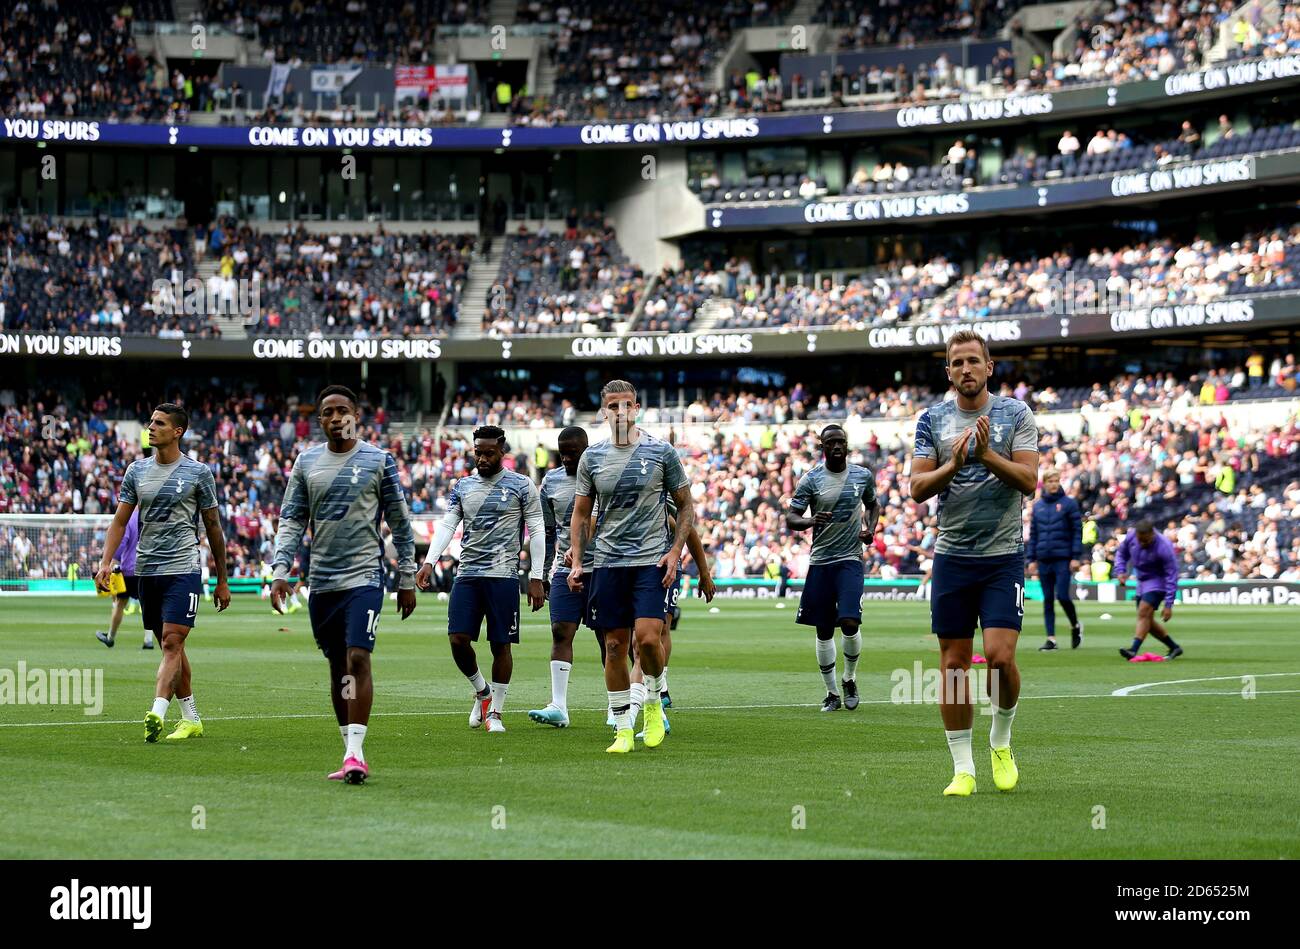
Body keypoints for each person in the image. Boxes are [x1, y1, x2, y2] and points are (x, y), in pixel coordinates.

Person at [909, 331, 1039, 797]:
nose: (966, 369)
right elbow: (918, 488)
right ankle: (963, 768)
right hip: (953, 559)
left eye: (973, 361)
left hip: (1003, 557)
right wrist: (957, 462)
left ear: (989, 367)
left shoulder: (1015, 415)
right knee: (954, 666)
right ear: (948, 372)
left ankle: (1000, 743)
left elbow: (1029, 481)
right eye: (957, 363)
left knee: (1001, 659)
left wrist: (986, 455)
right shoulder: (932, 420)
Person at [270, 385, 418, 785]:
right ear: (319, 420)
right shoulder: (306, 463)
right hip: (322, 582)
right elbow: (292, 520)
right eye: (328, 413)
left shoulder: (379, 461)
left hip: (365, 577)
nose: (336, 418)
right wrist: (280, 571)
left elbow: (401, 524)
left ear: (357, 415)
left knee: (358, 658)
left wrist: (406, 577)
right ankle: (348, 748)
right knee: (338, 667)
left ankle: (356, 753)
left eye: (342, 411)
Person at [568, 380, 694, 754]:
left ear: (637, 408)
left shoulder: (661, 452)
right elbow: (580, 512)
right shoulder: (592, 458)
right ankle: (623, 728)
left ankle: (653, 702)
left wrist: (674, 552)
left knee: (649, 640)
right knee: (612, 646)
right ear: (604, 412)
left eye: (626, 405)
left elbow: (685, 506)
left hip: (650, 562)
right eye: (613, 406)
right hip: (607, 562)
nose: (620, 412)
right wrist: (577, 558)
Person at [95, 403, 231, 743]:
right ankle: (191, 718)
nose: (151, 428)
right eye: (150, 422)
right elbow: (120, 520)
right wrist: (104, 562)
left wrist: (222, 579)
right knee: (171, 648)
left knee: (173, 642)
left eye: (159, 423)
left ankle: (156, 712)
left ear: (177, 431)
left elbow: (213, 526)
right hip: (146, 571)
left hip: (183, 568)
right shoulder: (136, 472)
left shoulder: (199, 473)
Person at [418, 425, 546, 734]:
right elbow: (448, 525)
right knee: (457, 640)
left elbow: (537, 530)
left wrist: (537, 577)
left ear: (503, 452)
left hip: (503, 576)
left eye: (489, 453)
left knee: (501, 645)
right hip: (468, 574)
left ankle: (497, 713)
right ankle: (482, 690)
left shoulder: (522, 485)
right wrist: (428, 562)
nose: (482, 458)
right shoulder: (463, 486)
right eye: (478, 452)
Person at [785, 424, 880, 712]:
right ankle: (831, 693)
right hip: (821, 562)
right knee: (824, 630)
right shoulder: (811, 480)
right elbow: (791, 517)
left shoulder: (862, 476)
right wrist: (812, 521)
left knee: (850, 622)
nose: (837, 447)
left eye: (841, 442)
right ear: (822, 447)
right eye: (831, 443)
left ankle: (849, 679)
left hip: (850, 559)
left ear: (847, 446)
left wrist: (870, 529)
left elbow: (873, 505)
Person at [528, 426, 597, 728]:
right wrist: (541, 574)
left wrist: (582, 547)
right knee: (560, 631)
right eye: (563, 453)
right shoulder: (551, 481)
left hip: (602, 568)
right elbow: (545, 530)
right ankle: (559, 706)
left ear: (586, 449)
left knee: (611, 638)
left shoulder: (601, 476)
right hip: (565, 570)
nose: (567, 458)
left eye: (573, 452)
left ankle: (617, 706)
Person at [1028, 468, 1084, 651]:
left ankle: (1075, 625)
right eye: (1050, 481)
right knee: (1048, 599)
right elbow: (1034, 534)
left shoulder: (1069, 504)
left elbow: (1077, 531)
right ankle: (1051, 639)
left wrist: (1075, 557)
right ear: (1044, 483)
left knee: (1062, 596)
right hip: (1044, 558)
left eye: (1056, 480)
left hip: (1062, 557)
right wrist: (1031, 558)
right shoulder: (1038, 506)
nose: (1053, 484)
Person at [1113, 520, 1183, 660]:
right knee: (1146, 620)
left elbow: (1171, 576)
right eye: (1140, 540)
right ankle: (1174, 647)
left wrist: (1168, 604)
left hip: (1159, 581)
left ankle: (1133, 649)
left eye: (1146, 541)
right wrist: (1120, 571)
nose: (1143, 544)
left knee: (1143, 612)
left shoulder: (1164, 547)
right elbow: (1121, 554)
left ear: (1152, 534)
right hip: (1142, 581)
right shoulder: (1132, 536)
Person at [96, 508, 153, 649]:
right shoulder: (150, 516)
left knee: (120, 603)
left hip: (129, 569)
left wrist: (113, 562)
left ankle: (110, 637)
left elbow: (122, 541)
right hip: (148, 568)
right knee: (148, 605)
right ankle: (148, 640)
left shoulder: (128, 518)